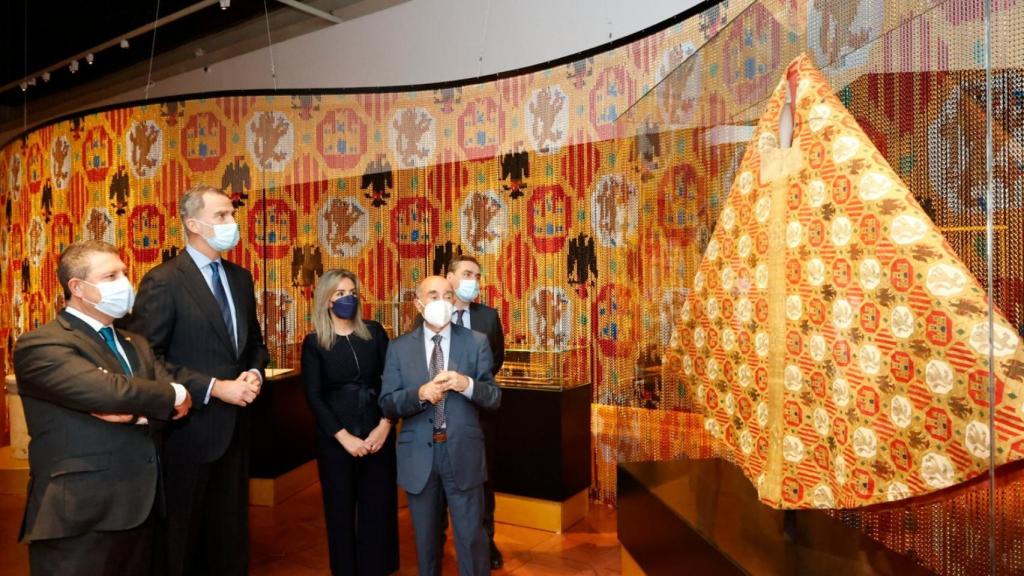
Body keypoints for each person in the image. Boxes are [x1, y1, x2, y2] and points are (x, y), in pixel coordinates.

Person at [13, 240, 192, 575]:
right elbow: (111, 393)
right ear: (78, 287)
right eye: (111, 275)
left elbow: (176, 401)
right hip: (81, 514)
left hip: (143, 506)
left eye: (124, 272)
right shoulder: (43, 343)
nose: (125, 282)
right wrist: (150, 400)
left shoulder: (135, 342)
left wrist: (137, 407)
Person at [125, 184, 269, 576]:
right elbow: (148, 358)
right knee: (183, 539)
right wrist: (214, 387)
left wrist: (254, 372)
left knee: (231, 536)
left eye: (232, 215)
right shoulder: (164, 281)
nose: (231, 223)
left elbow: (253, 343)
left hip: (237, 430)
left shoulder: (240, 278)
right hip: (189, 432)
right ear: (193, 224)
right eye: (221, 216)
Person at [380, 275, 501, 576]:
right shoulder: (398, 348)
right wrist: (418, 394)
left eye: (447, 295)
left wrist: (466, 383)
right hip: (419, 457)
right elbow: (387, 402)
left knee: (472, 538)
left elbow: (493, 397)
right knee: (426, 542)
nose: (441, 301)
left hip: (463, 451)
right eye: (433, 295)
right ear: (419, 303)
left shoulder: (476, 342)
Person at [302, 269, 398, 576]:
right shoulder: (315, 342)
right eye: (340, 293)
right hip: (336, 440)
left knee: (378, 508)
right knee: (340, 511)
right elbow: (314, 396)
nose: (348, 298)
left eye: (353, 292)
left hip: (377, 433)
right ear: (327, 299)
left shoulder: (374, 332)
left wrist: (386, 425)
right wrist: (344, 438)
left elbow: (392, 381)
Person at [445, 255, 505, 568]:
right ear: (450, 277)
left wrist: (471, 386)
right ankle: (441, 542)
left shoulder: (489, 317)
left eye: (478, 276)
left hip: (480, 413)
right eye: (467, 274)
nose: (474, 281)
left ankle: (487, 544)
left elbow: (496, 360)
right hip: (442, 413)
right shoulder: (431, 314)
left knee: (483, 484)